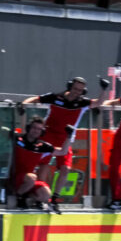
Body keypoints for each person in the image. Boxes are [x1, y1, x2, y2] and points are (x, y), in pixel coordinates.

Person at [21, 77, 100, 211]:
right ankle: (39, 197)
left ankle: (55, 199)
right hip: (49, 134)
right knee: (43, 165)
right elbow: (35, 99)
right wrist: (24, 104)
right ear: (69, 87)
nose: (77, 92)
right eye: (75, 89)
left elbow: (99, 102)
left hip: (66, 138)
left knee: (65, 169)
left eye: (80, 90)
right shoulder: (55, 97)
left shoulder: (82, 103)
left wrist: (104, 89)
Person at [10, 117, 70, 212]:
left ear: (42, 131)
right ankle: (18, 197)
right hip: (15, 177)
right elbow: (0, 130)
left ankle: (29, 198)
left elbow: (63, 152)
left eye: (39, 129)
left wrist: (68, 137)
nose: (36, 131)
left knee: (46, 194)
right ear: (28, 128)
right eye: (34, 127)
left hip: (29, 181)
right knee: (32, 178)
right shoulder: (18, 138)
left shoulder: (42, 146)